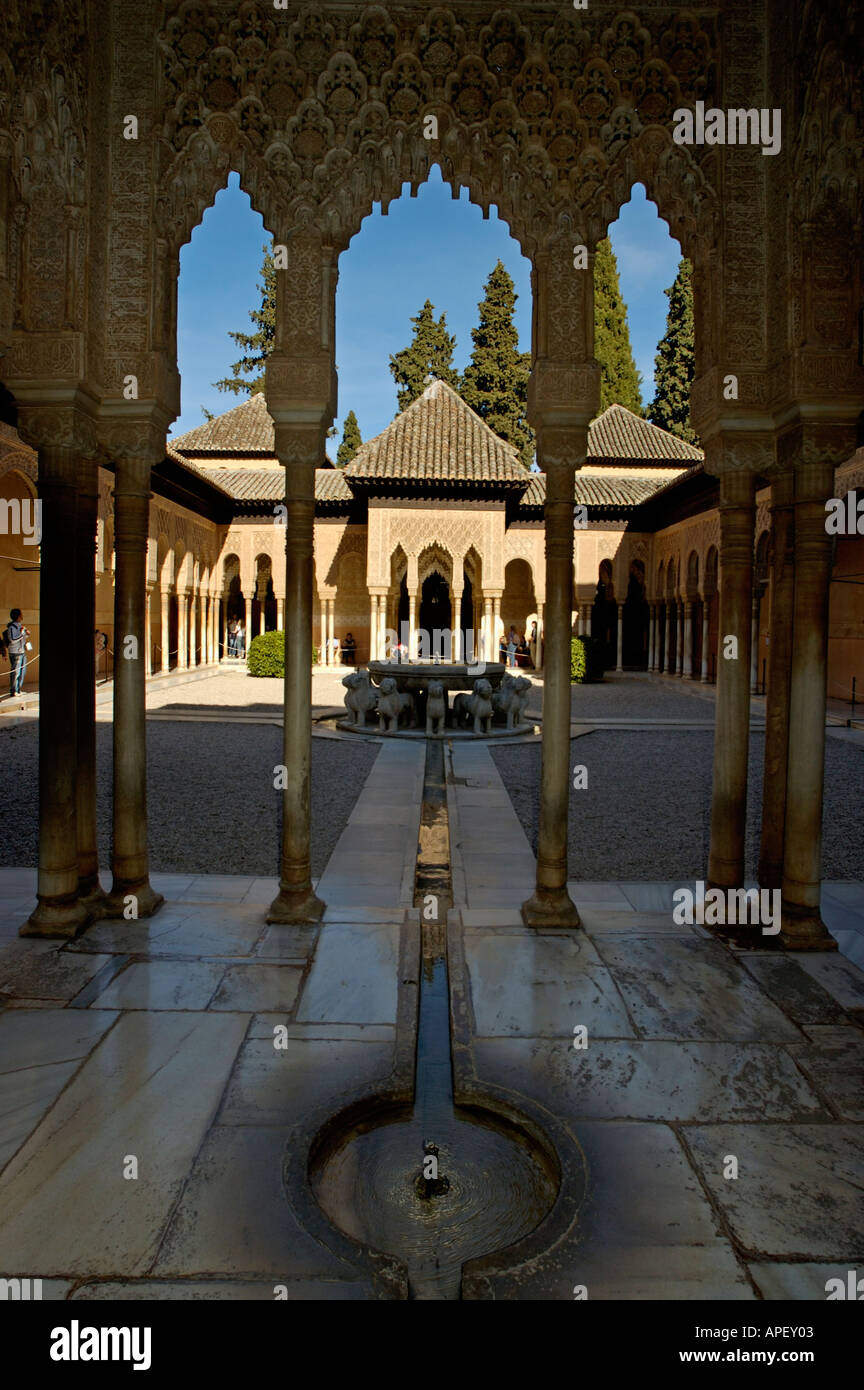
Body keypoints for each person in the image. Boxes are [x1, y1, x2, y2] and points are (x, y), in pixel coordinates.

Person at [2, 608, 30, 697]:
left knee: (22, 671)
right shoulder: (11, 627)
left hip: (22, 651)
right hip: (15, 652)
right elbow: (13, 640)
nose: (22, 615)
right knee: (16, 672)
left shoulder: (20, 626)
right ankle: (13, 690)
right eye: (21, 614)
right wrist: (22, 634)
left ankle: (18, 689)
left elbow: (23, 637)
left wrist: (26, 633)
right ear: (18, 616)